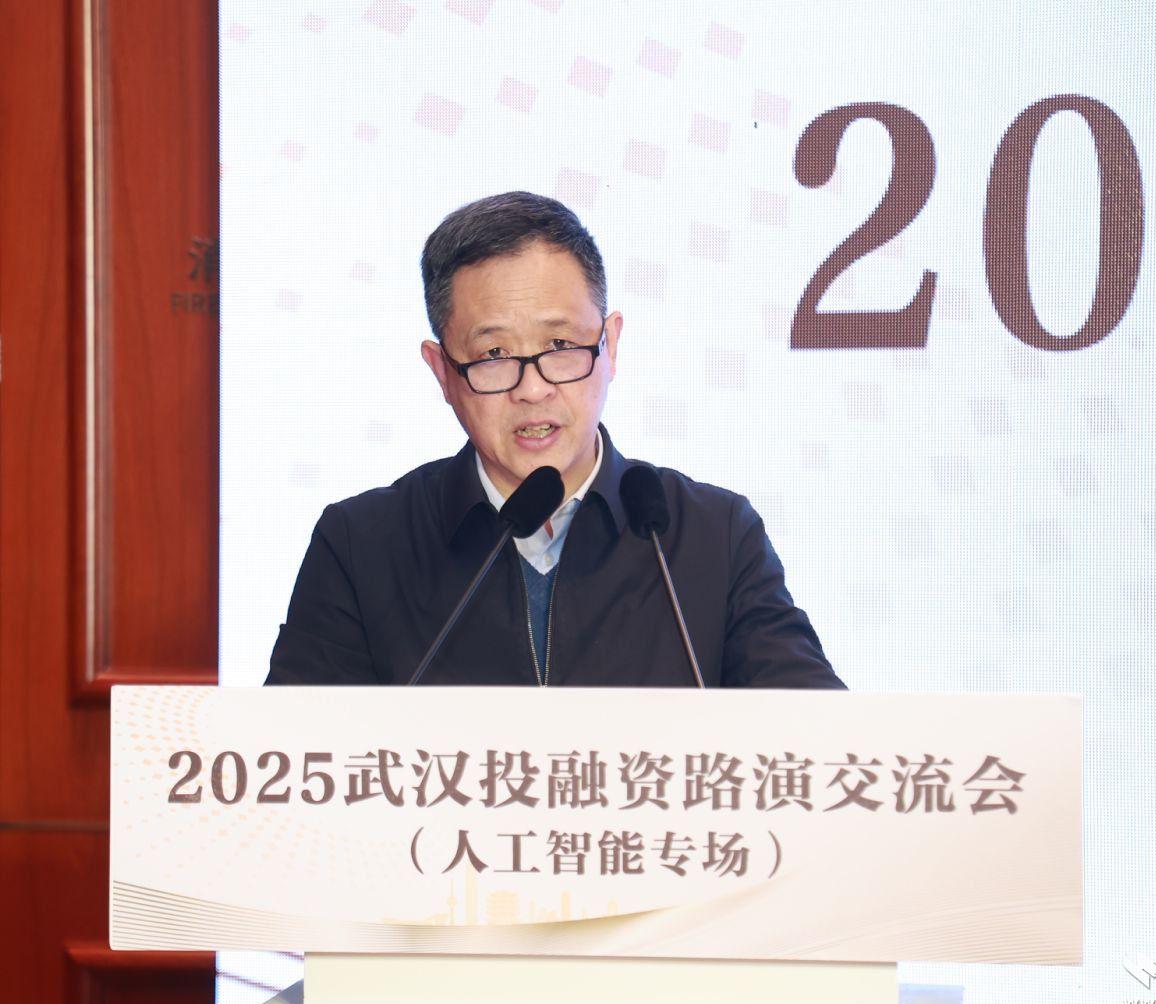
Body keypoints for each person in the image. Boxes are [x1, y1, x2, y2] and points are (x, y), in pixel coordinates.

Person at [266, 191, 843, 688]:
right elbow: (289, 758)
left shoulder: (709, 536)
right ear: (442, 371)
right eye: (494, 354)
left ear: (610, 346)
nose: (533, 388)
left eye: (561, 346)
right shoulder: (361, 546)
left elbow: (823, 741)